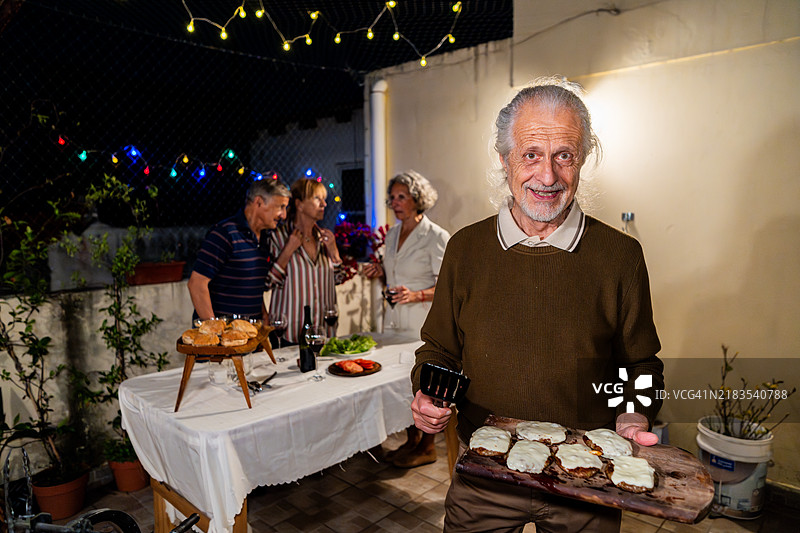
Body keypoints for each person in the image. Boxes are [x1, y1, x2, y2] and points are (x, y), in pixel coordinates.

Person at [410, 77, 664, 532]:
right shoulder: (465, 249)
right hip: (485, 474)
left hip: (587, 480)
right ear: (505, 159)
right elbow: (438, 350)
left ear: (582, 158)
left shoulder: (620, 257)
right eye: (530, 154)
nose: (547, 177)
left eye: (563, 155)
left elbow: (641, 363)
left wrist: (633, 411)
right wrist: (429, 394)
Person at [364, 170, 450, 468]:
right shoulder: (391, 234)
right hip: (394, 320)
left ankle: (428, 446)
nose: (395, 203)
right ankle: (412, 441)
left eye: (402, 197)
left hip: (421, 322)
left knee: (422, 383)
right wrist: (381, 272)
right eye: (393, 197)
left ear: (417, 199)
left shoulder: (436, 237)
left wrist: (416, 295)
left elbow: (447, 287)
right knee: (401, 384)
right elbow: (395, 273)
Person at [188, 179, 290, 321]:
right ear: (259, 202)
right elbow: (196, 284)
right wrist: (214, 331)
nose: (284, 215)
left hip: (249, 335)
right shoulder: (224, 234)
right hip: (222, 338)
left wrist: (264, 319)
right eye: (281, 207)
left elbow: (251, 288)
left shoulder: (266, 239)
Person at [267, 178, 343, 343]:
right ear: (299, 204)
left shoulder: (325, 239)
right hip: (288, 334)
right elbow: (268, 282)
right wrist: (288, 250)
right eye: (317, 199)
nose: (324, 204)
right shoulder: (278, 237)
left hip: (323, 332)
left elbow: (338, 279)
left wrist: (334, 251)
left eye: (324, 199)